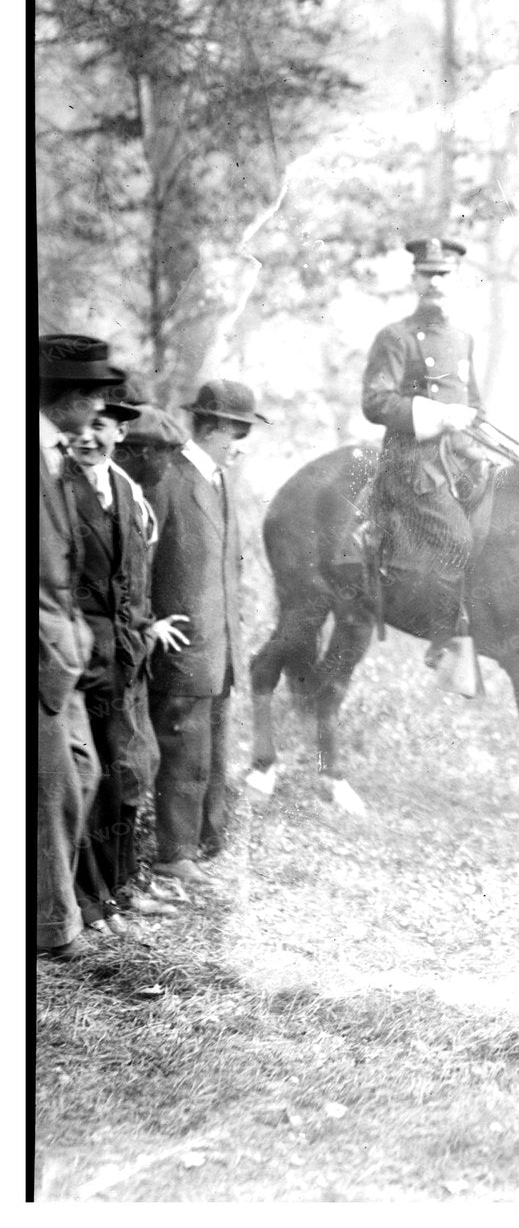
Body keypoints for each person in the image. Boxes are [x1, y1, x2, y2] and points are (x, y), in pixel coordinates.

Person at [65, 390, 182, 931]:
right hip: (84, 661)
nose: (89, 435)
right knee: (94, 781)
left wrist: (148, 626)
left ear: (119, 434)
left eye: (102, 426)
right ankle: (93, 902)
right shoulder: (57, 489)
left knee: (132, 770)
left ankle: (122, 886)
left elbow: (134, 575)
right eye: (83, 425)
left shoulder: (126, 490)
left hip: (129, 657)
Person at [145, 380, 265, 888]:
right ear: (214, 428)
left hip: (220, 648)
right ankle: (175, 852)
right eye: (238, 431)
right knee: (184, 748)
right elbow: (139, 564)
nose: (241, 442)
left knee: (214, 745)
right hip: (182, 647)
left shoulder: (221, 481)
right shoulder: (166, 481)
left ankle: (207, 840)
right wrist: (145, 623)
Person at [361, 236, 485, 693]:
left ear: (457, 280)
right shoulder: (395, 338)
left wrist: (473, 430)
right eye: (427, 274)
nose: (435, 282)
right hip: (410, 463)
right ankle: (444, 641)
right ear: (414, 279)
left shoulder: (464, 338)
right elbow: (375, 401)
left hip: (457, 458)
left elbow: (475, 404)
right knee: (457, 537)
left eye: (444, 274)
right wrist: (437, 417)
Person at [38, 334, 124, 960]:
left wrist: (76, 630)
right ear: (62, 398)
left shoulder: (53, 454)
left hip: (60, 647)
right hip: (38, 652)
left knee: (82, 775)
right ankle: (52, 927)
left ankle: (53, 912)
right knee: (49, 788)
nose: (98, 407)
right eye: (91, 394)